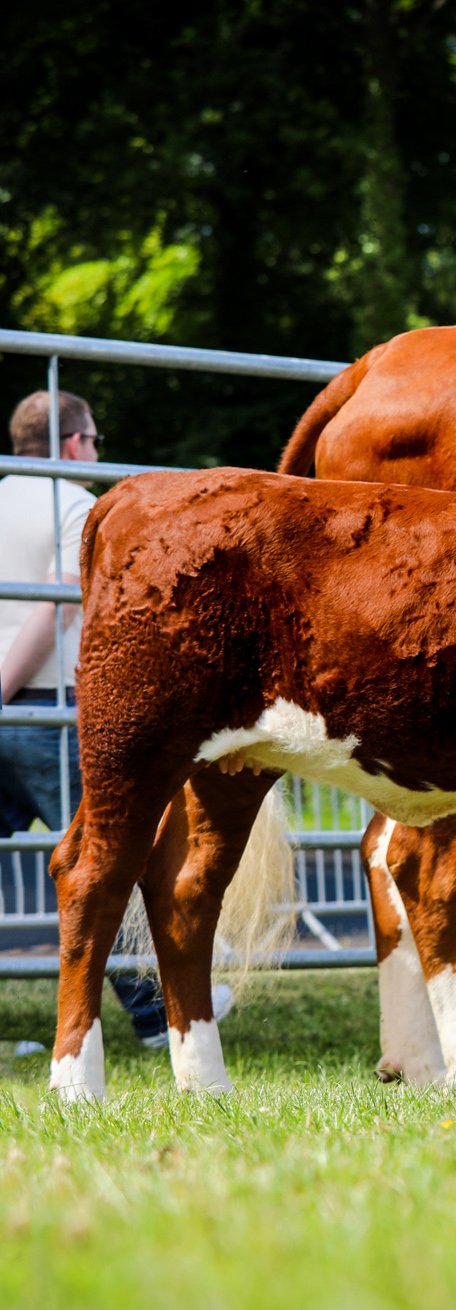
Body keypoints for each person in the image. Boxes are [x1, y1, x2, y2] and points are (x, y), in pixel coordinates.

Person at [0, 389, 228, 1047]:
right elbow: (53, 610)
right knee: (108, 857)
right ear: (73, 444)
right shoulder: (72, 506)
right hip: (41, 706)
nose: (96, 452)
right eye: (94, 440)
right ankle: (157, 1012)